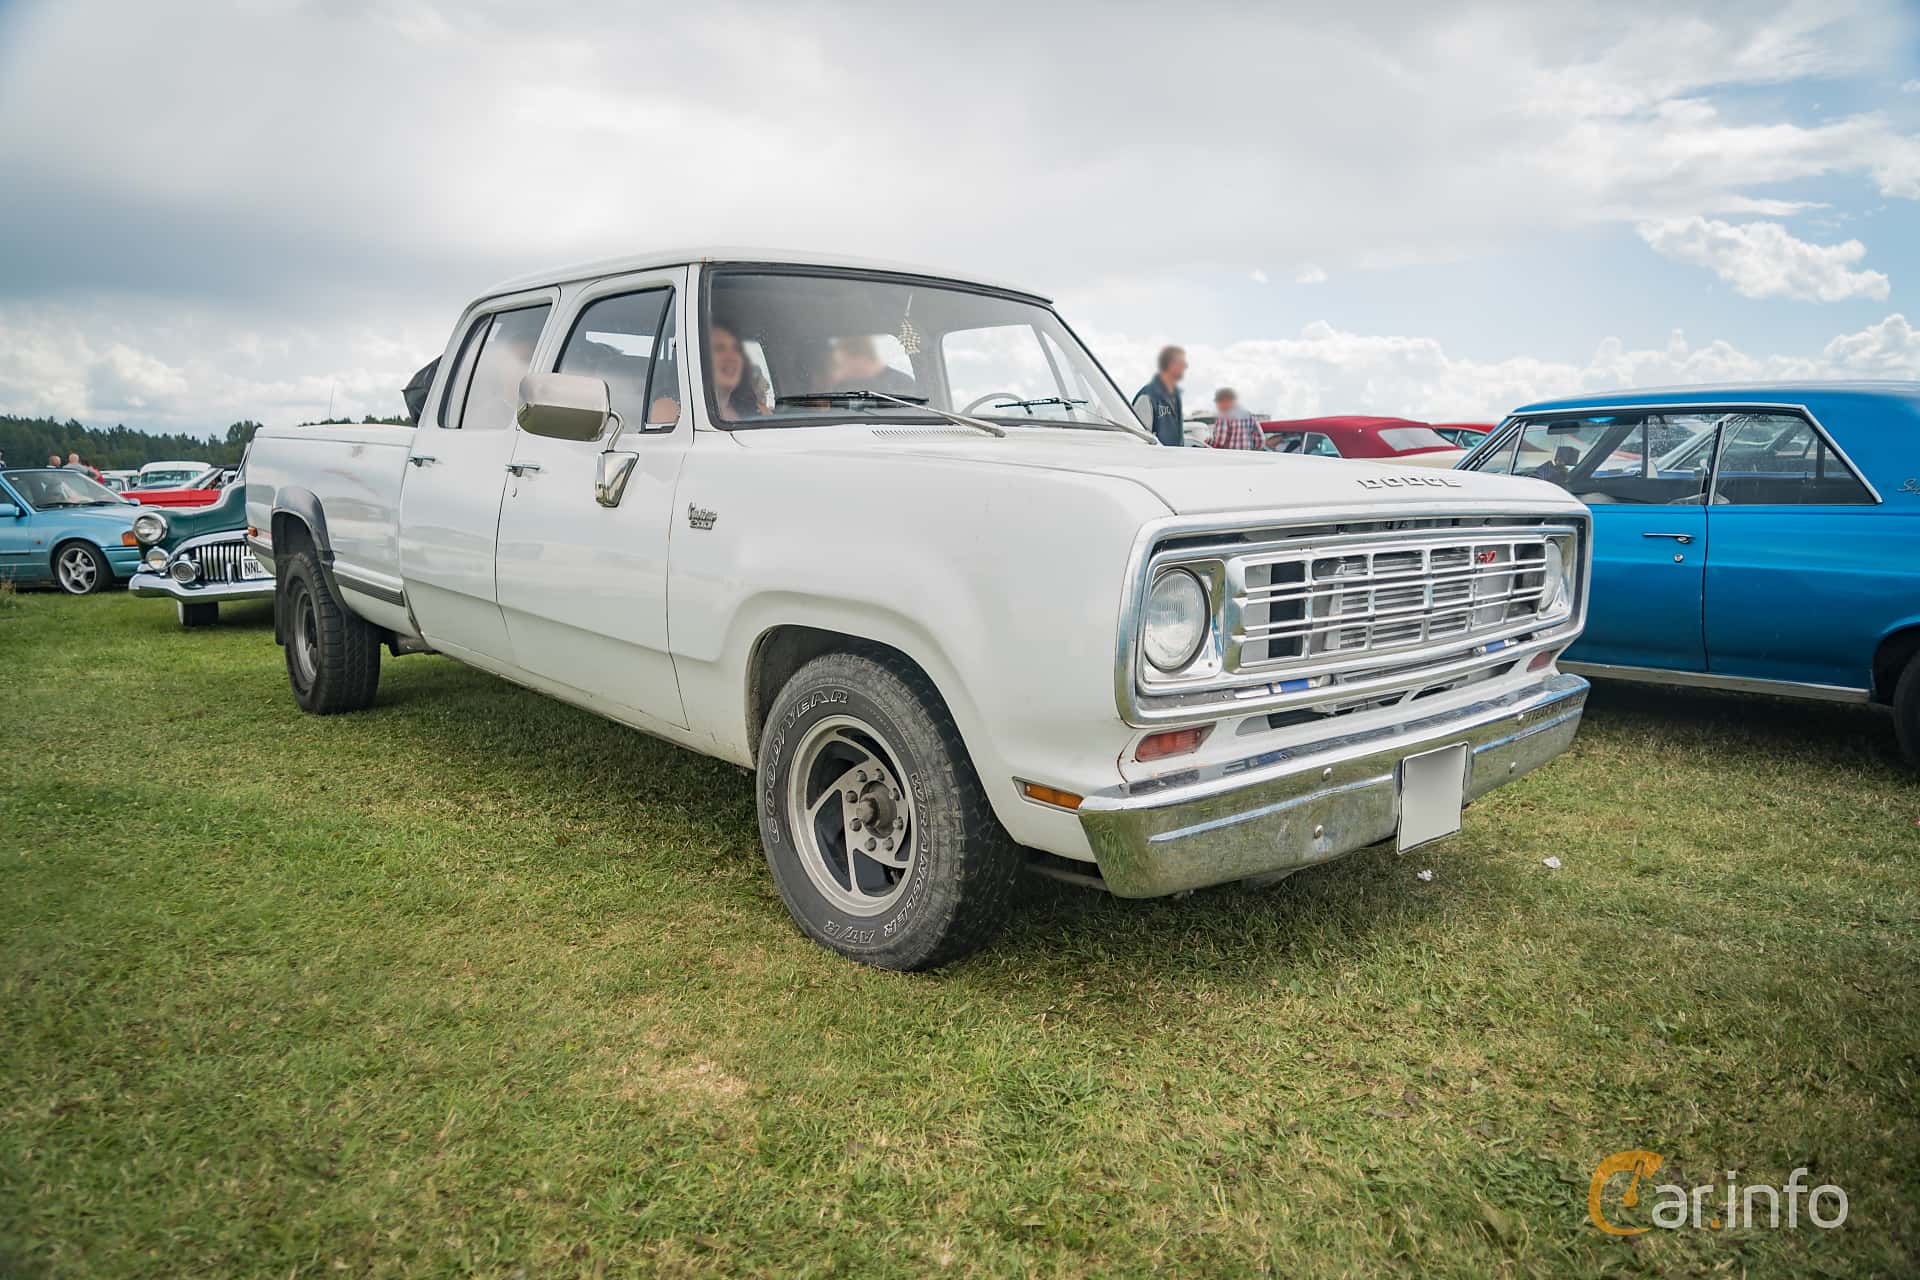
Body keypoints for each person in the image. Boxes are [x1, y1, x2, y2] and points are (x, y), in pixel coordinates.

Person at [709, 323, 768, 420]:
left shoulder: (760, 412)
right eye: (719, 348)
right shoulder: (679, 415)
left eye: (736, 349)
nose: (731, 357)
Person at [1132, 346, 1187, 446]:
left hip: (1176, 459)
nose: (1185, 366)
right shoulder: (1147, 396)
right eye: (1181, 363)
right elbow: (1139, 440)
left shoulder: (1176, 397)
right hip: (1155, 460)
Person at [830, 335, 917, 396]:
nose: (844, 368)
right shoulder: (841, 386)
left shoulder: (902, 382)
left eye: (844, 363)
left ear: (861, 356)